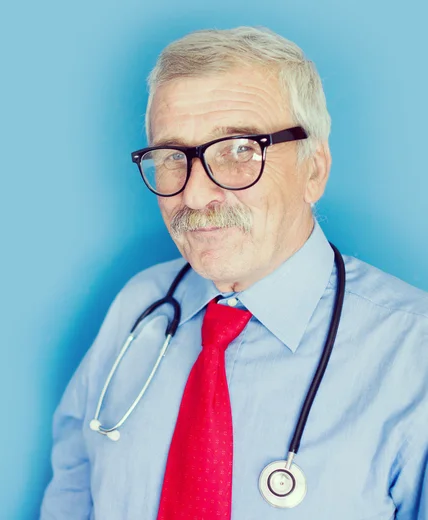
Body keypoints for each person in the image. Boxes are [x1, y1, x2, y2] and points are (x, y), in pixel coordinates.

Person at [40, 27, 428, 519]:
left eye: (240, 150)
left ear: (314, 170)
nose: (196, 196)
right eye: (171, 157)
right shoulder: (138, 307)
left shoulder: (415, 356)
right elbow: (73, 482)